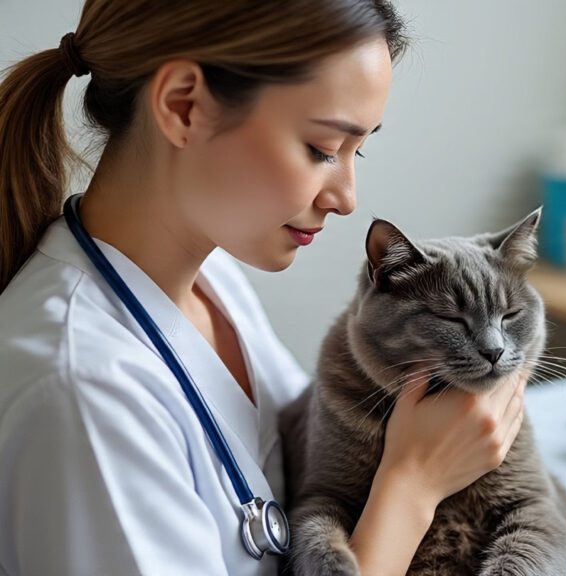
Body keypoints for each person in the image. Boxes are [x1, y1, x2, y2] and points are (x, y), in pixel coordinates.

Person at [0, 1, 528, 575]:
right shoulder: (82, 395)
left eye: (360, 149)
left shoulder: (213, 278)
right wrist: (413, 485)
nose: (346, 197)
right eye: (323, 148)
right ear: (183, 106)